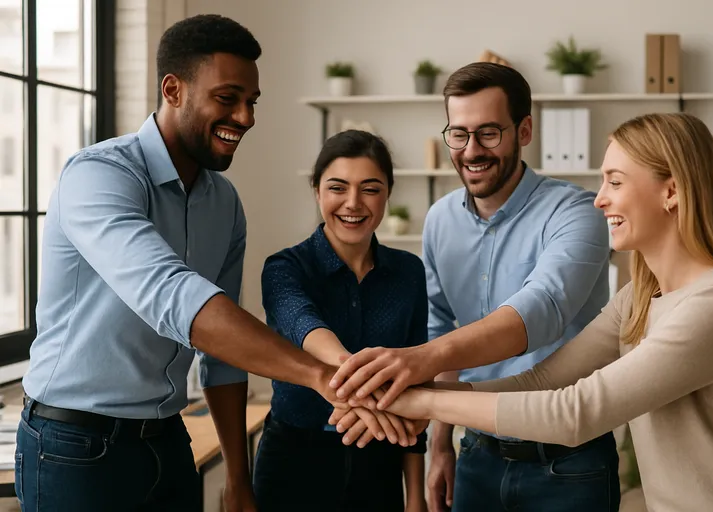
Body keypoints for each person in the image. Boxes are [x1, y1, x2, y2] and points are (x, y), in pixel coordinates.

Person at [336, 112, 713, 512]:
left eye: (615, 182)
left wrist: (421, 400)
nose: (599, 200)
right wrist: (415, 400)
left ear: (671, 191)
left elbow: (574, 413)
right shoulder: (641, 296)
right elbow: (542, 380)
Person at [15, 14, 344, 512]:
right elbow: (173, 296)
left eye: (251, 103)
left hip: (168, 440)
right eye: (228, 98)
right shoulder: (99, 175)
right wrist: (319, 374)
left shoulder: (224, 202)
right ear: (173, 89)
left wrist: (238, 475)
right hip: (73, 446)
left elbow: (224, 350)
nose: (246, 118)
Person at [328, 62, 620, 512]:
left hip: (568, 463)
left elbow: (541, 311)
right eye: (459, 134)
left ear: (524, 131)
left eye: (489, 133)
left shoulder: (576, 213)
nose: (471, 150)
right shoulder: (440, 219)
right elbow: (440, 326)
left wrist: (414, 363)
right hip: (477, 457)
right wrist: (441, 444)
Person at [250, 129, 429, 512]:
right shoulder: (285, 268)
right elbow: (302, 323)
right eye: (337, 187)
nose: (353, 203)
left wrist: (416, 496)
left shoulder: (409, 273)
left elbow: (419, 382)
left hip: (380, 462)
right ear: (316, 190)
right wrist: (368, 386)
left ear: (387, 193)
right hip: (293, 463)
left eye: (370, 188)